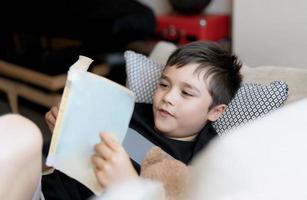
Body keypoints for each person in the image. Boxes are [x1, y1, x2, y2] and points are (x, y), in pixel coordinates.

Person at [43, 41, 242, 199]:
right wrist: (65, 127)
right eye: (164, 84)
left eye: (186, 93)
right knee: (23, 132)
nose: (168, 97)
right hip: (47, 189)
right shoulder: (130, 112)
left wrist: (128, 186)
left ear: (215, 112)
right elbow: (82, 145)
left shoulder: (205, 158)